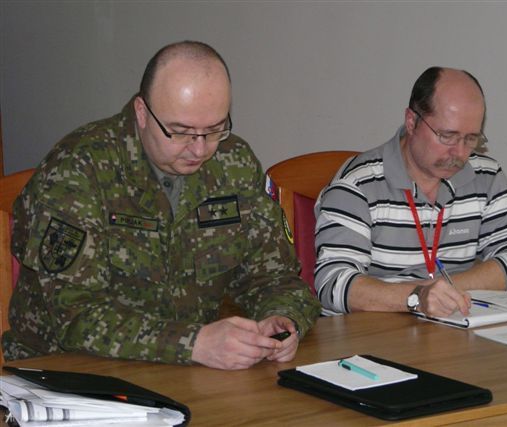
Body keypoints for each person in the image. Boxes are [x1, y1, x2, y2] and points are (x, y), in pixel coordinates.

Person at [2, 41, 321, 370]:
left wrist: (281, 318)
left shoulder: (233, 163)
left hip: (186, 373)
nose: (200, 150)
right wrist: (193, 343)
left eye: (214, 130)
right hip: (69, 373)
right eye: (181, 132)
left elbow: (274, 277)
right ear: (142, 113)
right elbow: (75, 316)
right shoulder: (79, 169)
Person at [314, 67, 507, 318]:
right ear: (412, 122)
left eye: (471, 139)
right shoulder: (357, 183)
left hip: (451, 330)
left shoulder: (486, 176)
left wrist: (444, 292)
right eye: (447, 136)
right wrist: (416, 297)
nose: (459, 153)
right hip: (372, 333)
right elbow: (333, 283)